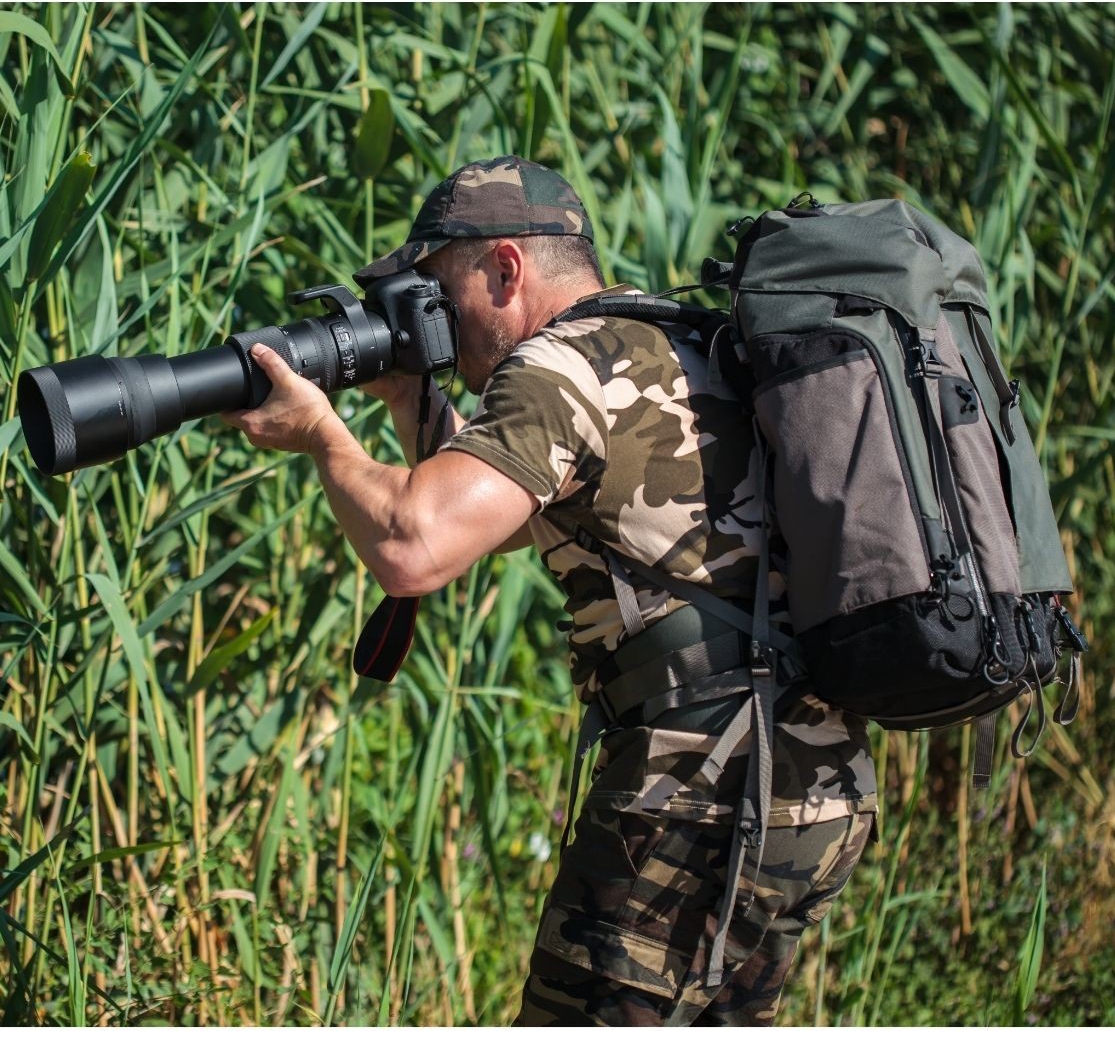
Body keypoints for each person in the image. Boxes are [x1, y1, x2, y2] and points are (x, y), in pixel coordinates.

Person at [218, 155, 877, 1026]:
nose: (432, 319)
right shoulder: (674, 341)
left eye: (436, 291)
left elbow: (414, 546)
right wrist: (409, 394)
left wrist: (322, 434)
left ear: (504, 269)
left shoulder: (556, 367)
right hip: (811, 778)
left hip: (694, 789)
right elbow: (514, 510)